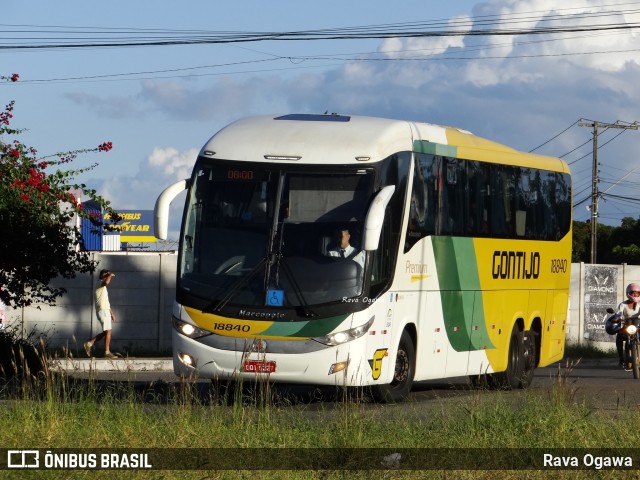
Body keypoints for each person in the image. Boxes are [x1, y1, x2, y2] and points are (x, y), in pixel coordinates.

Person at [84, 269, 119, 359]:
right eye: (106, 274)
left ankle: (89, 343)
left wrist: (111, 313)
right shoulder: (99, 283)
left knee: (106, 332)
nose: (108, 276)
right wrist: (110, 274)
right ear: (103, 275)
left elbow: (106, 302)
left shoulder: (102, 287)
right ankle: (107, 352)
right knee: (108, 331)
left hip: (105, 310)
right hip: (103, 311)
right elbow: (107, 282)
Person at [608, 282, 640, 370]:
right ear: (628, 293)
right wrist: (616, 318)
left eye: (637, 293)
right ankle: (621, 358)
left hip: (638, 326)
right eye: (633, 292)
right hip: (628, 326)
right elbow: (619, 313)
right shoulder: (623, 305)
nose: (635, 294)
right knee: (619, 337)